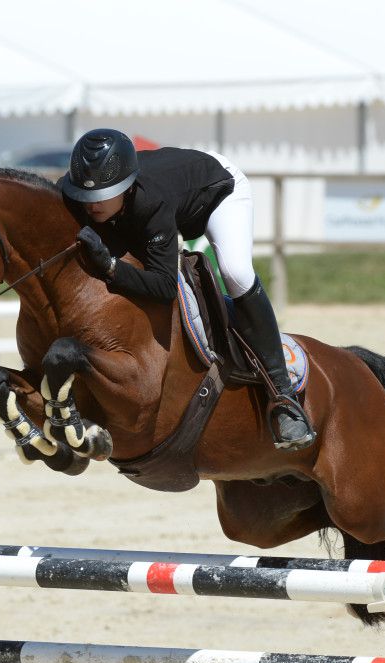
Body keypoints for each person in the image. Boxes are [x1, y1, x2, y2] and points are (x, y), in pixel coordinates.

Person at [58, 128, 314, 451]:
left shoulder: (152, 204)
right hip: (175, 187)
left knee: (236, 273)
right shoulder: (77, 193)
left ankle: (284, 397)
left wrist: (111, 266)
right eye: (85, 195)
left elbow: (165, 285)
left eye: (101, 196)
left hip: (219, 193)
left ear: (126, 187)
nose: (90, 206)